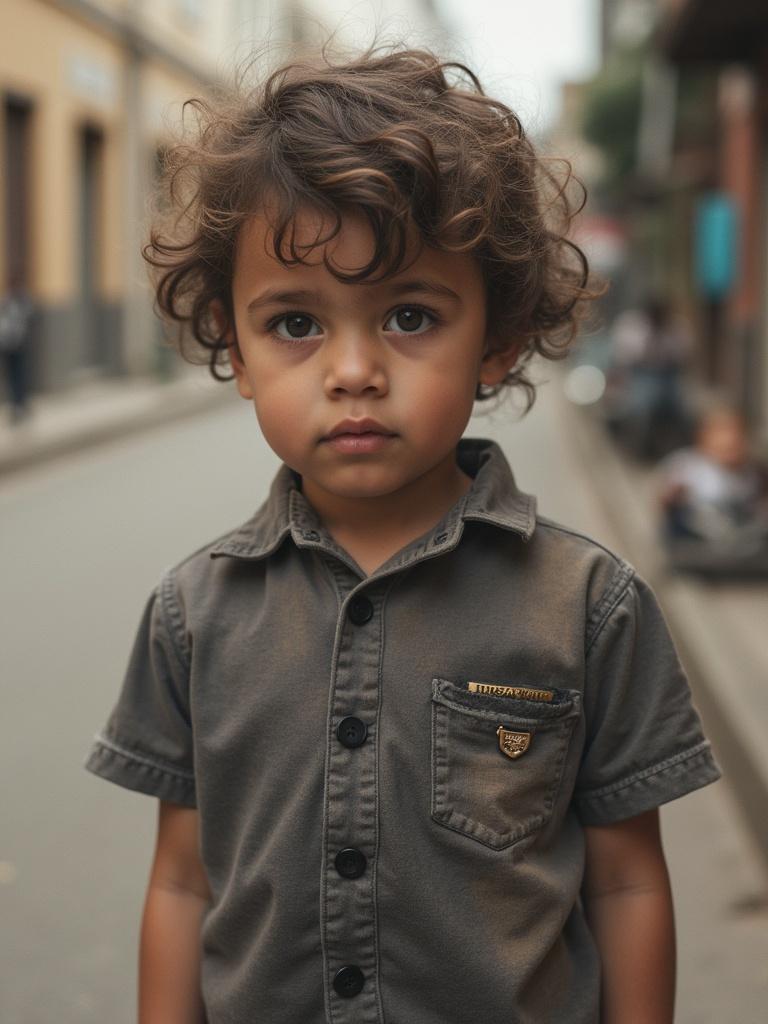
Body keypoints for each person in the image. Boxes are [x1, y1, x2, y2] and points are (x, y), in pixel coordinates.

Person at [84, 46, 721, 1024]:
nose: (352, 370)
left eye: (411, 314)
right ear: (234, 345)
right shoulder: (191, 614)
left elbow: (628, 882)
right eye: (295, 322)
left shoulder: (589, 608)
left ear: (497, 339)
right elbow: (180, 880)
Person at [658, 402, 768, 573]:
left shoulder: (751, 472)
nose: (729, 441)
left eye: (735, 435)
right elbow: (666, 498)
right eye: (721, 434)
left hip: (741, 529)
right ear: (703, 438)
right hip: (700, 529)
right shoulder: (689, 465)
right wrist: (675, 496)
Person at [0, 270, 34, 423]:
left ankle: (20, 405)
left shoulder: (20, 300)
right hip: (8, 345)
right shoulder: (8, 301)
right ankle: (17, 406)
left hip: (17, 344)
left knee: (19, 376)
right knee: (14, 377)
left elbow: (27, 319)